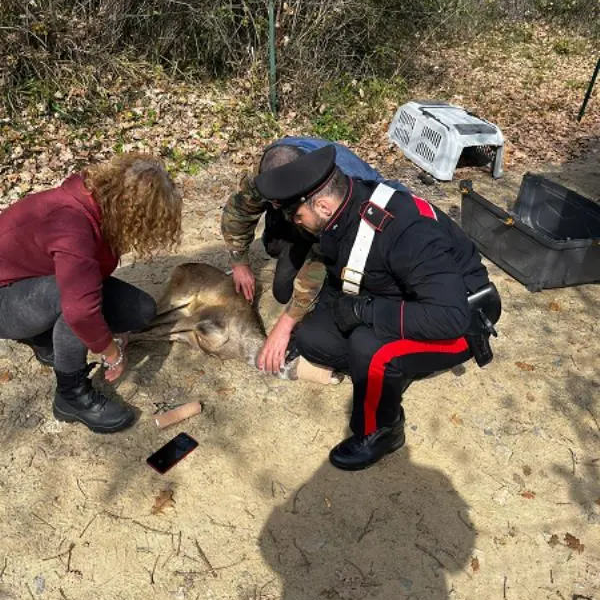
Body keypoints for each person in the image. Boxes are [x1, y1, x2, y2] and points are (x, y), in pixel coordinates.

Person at [253, 145, 501, 471]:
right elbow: (341, 274)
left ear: (324, 205)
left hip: (462, 316)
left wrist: (364, 312)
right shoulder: (345, 210)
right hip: (402, 299)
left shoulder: (407, 232)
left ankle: (381, 430)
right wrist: (293, 326)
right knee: (314, 336)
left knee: (370, 349)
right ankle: (390, 368)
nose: (296, 224)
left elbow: (449, 317)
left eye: (297, 216)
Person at [0, 152, 182, 434]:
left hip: (29, 283)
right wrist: (111, 352)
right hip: (4, 301)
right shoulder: (70, 223)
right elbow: (80, 309)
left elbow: (91, 276)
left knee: (139, 310)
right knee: (71, 302)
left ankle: (41, 336)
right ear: (131, 210)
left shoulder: (99, 205)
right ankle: (71, 396)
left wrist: (110, 330)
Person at [221, 136, 409, 373]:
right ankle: (301, 235)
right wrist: (239, 261)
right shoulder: (265, 173)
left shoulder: (334, 191)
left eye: (286, 206)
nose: (278, 209)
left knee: (331, 288)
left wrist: (287, 322)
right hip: (310, 215)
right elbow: (238, 212)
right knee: (281, 284)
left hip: (359, 228)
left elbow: (322, 258)